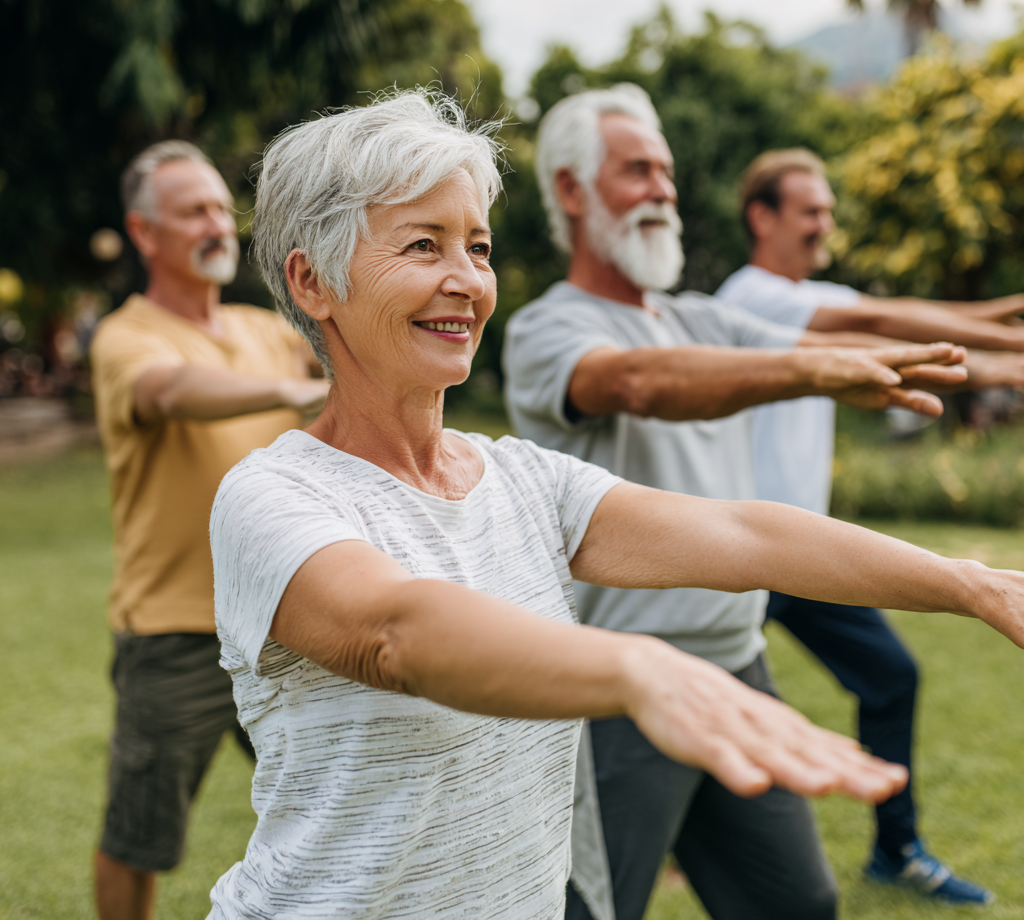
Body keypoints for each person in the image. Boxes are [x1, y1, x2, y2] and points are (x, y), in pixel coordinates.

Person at [197, 89, 1024, 920]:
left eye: (477, 247)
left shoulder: (524, 481)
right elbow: (395, 635)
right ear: (313, 282)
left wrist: (974, 584)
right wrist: (640, 667)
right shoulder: (272, 496)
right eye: (423, 245)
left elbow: (742, 532)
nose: (467, 281)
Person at [501, 84, 982, 920]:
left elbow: (850, 344)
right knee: (580, 913)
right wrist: (809, 369)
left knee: (796, 903)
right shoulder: (549, 328)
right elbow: (640, 383)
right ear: (572, 192)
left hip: (735, 665)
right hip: (619, 685)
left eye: (668, 172)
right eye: (638, 170)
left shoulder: (701, 318)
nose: (663, 189)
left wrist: (996, 352)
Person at [716, 148, 1024, 906]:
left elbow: (922, 322)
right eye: (810, 210)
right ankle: (671, 833)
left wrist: (1003, 318)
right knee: (702, 701)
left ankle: (897, 850)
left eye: (826, 210)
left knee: (891, 674)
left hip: (804, 554)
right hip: (730, 555)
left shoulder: (816, 297)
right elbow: (880, 318)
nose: (826, 223)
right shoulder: (751, 297)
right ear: (763, 217)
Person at [90, 140, 329, 920]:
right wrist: (292, 389)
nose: (216, 223)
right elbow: (173, 391)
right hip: (176, 633)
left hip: (287, 623)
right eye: (193, 210)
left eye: (222, 208)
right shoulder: (129, 336)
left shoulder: (267, 328)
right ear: (144, 231)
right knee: (140, 834)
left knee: (337, 809)